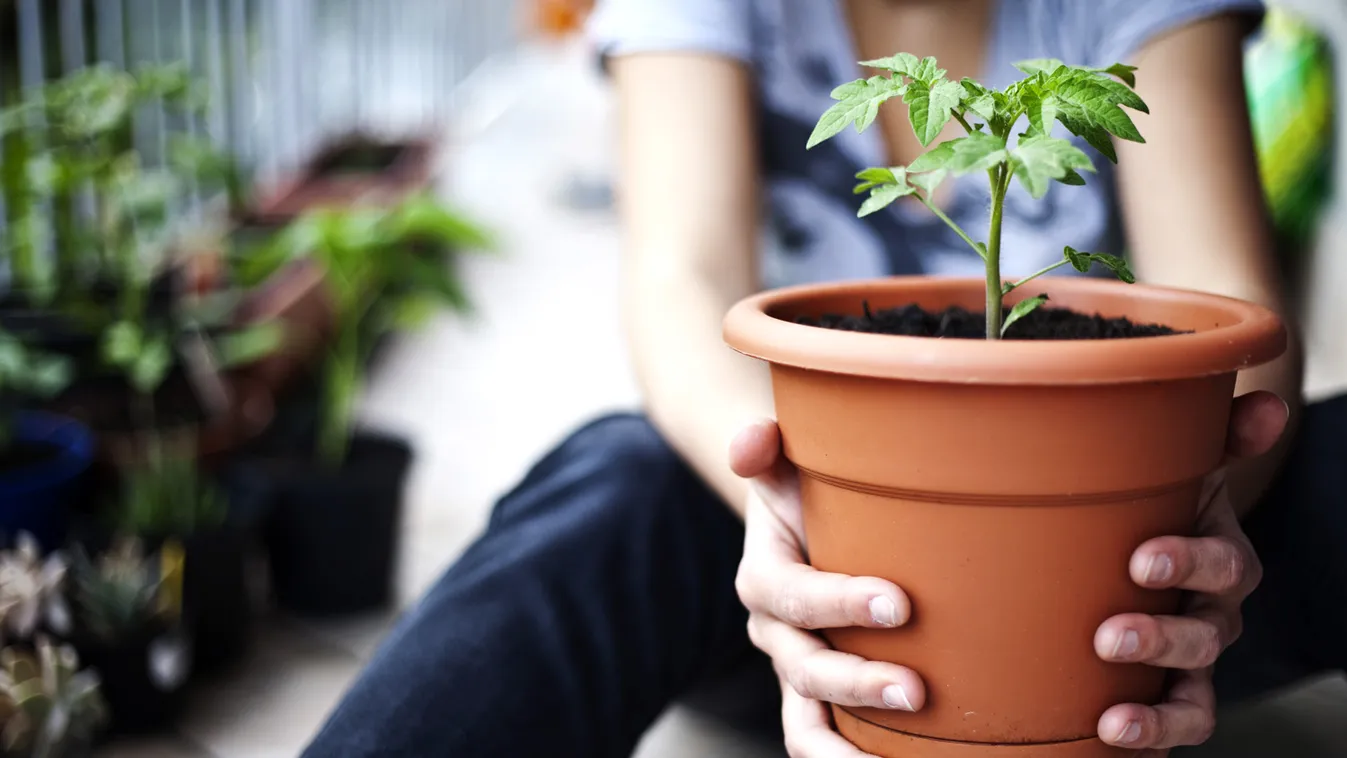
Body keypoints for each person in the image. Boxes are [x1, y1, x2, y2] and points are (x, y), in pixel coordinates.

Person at [302, 1, 1345, 756]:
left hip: (1126, 582)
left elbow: (1232, 313)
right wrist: (794, 520)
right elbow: (682, 280)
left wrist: (1192, 526)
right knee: (618, 476)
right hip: (812, 597)